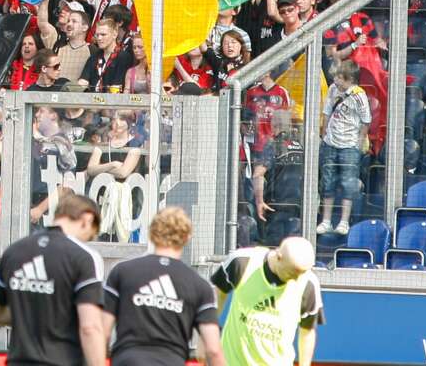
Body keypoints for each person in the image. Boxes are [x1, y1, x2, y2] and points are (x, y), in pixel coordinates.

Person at [0, 190, 107, 366]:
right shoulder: (84, 257)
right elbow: (90, 327)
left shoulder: (14, 251)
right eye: (90, 235)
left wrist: (31, 313)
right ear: (87, 219)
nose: (87, 241)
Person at [105, 207, 225, 366]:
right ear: (187, 237)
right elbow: (213, 350)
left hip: (127, 360)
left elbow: (101, 331)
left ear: (151, 233)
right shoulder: (199, 286)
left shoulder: (123, 272)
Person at [212, 237, 322, 366]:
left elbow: (307, 331)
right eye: (291, 273)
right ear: (278, 257)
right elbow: (217, 297)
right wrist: (206, 338)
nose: (296, 279)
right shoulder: (243, 262)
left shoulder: (308, 283)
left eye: (301, 274)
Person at [315, 61, 369, 236]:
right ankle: (326, 221)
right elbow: (326, 112)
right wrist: (324, 134)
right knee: (327, 182)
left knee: (348, 183)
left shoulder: (359, 96)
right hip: (330, 143)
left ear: (350, 79)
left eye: (340, 77)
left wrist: (358, 143)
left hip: (349, 146)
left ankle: (344, 222)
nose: (336, 80)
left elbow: (366, 121)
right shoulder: (332, 89)